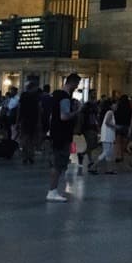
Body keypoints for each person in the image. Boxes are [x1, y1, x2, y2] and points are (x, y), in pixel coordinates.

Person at [47, 73, 81, 202]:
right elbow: (64, 116)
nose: (77, 87)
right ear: (72, 83)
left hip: (55, 132)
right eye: (77, 84)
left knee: (57, 162)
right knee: (58, 163)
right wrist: (77, 111)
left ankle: (53, 190)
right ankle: (52, 191)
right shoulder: (65, 98)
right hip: (62, 134)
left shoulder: (56, 95)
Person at [16, 81, 42, 165]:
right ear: (33, 87)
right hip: (32, 119)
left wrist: (18, 120)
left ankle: (25, 156)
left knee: (25, 139)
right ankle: (30, 156)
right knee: (31, 139)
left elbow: (19, 108)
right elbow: (39, 109)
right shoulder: (36, 96)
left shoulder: (23, 95)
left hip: (24, 119)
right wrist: (39, 121)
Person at [91, 101, 117, 174]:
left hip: (108, 136)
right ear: (111, 106)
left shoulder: (110, 113)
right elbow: (107, 122)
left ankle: (109, 169)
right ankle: (93, 166)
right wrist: (116, 127)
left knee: (109, 153)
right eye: (115, 104)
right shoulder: (110, 112)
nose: (116, 106)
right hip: (107, 136)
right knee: (106, 152)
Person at [113, 94, 132, 164]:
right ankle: (122, 156)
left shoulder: (118, 107)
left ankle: (118, 156)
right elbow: (130, 117)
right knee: (124, 143)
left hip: (118, 126)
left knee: (118, 143)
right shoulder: (129, 108)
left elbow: (115, 115)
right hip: (126, 126)